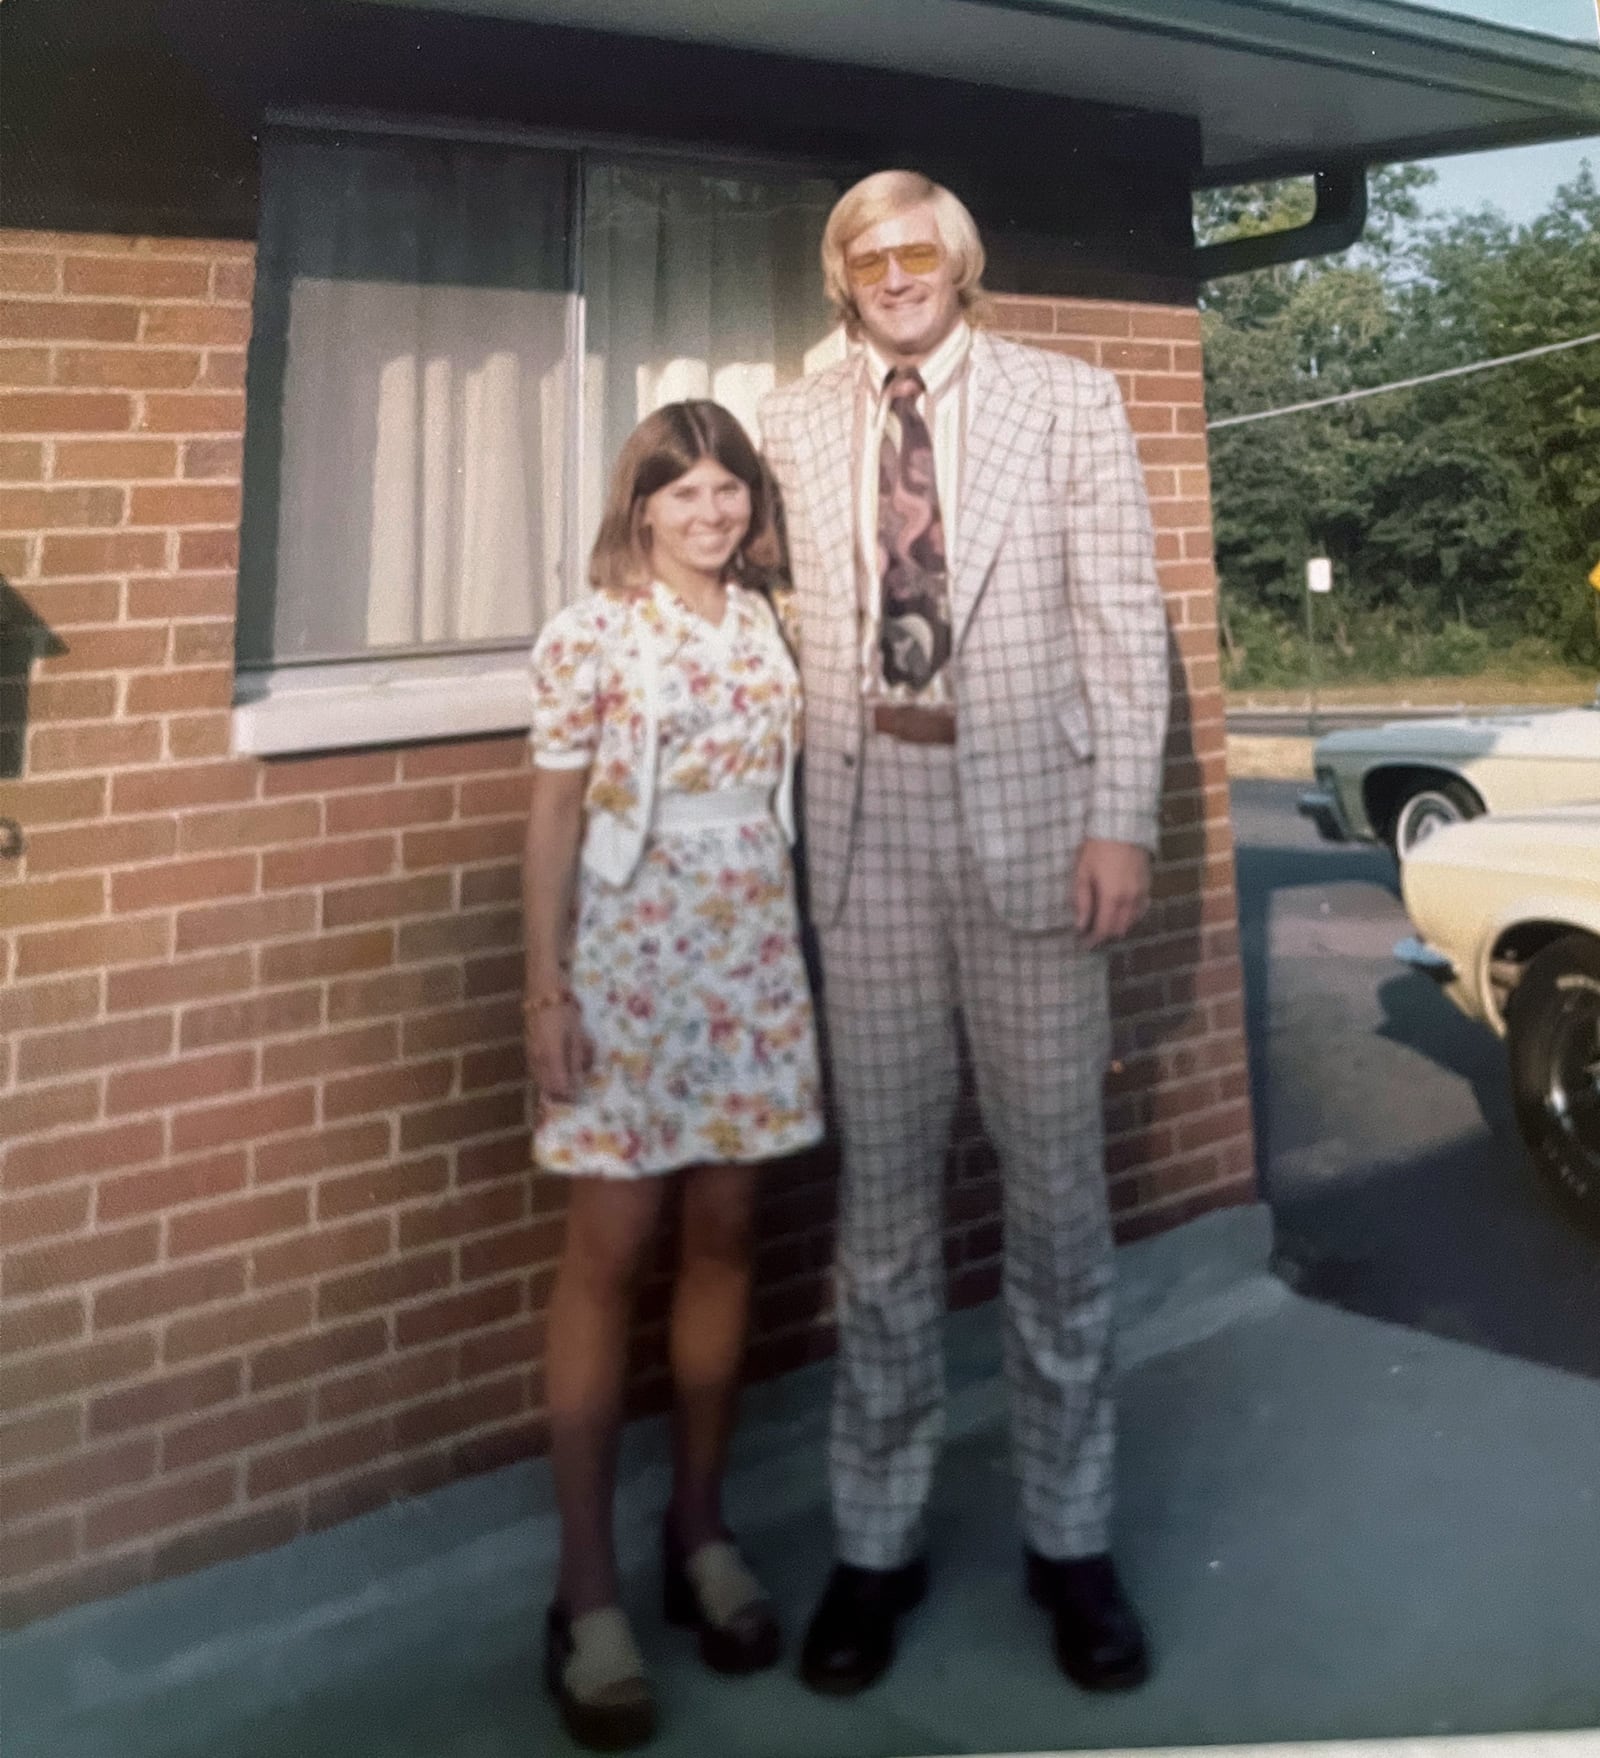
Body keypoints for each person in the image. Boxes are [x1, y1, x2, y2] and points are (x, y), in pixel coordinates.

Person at [758, 170, 1170, 1697]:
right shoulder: (794, 420)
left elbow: (1124, 618)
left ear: (963, 262)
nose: (894, 271)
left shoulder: (1067, 399)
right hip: (867, 839)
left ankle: (1073, 1541)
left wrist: (1120, 814)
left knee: (1058, 1206)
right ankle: (878, 1541)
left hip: (1041, 838)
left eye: (917, 247)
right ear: (839, 279)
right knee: (883, 1216)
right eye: (865, 255)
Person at [524, 401, 825, 1750]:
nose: (708, 510)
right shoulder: (592, 629)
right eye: (681, 489)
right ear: (638, 504)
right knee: (614, 1240)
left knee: (725, 1231)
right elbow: (549, 818)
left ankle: (699, 1530)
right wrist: (547, 987)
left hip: (750, 948)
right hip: (629, 950)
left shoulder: (770, 621)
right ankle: (585, 1594)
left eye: (727, 488)